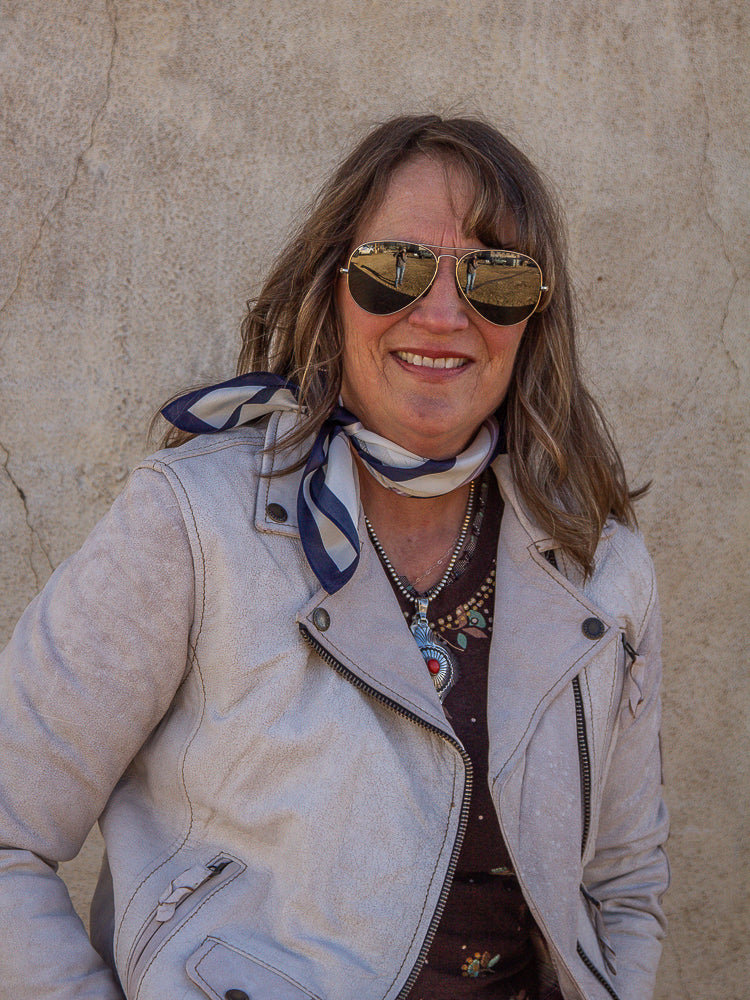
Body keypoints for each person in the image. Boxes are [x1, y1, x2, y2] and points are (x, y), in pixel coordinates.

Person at [0, 114, 669, 1000]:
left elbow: (623, 882)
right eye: (396, 268)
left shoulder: (601, 564)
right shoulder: (194, 523)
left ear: (535, 315)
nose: (443, 314)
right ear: (333, 287)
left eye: (496, 276)